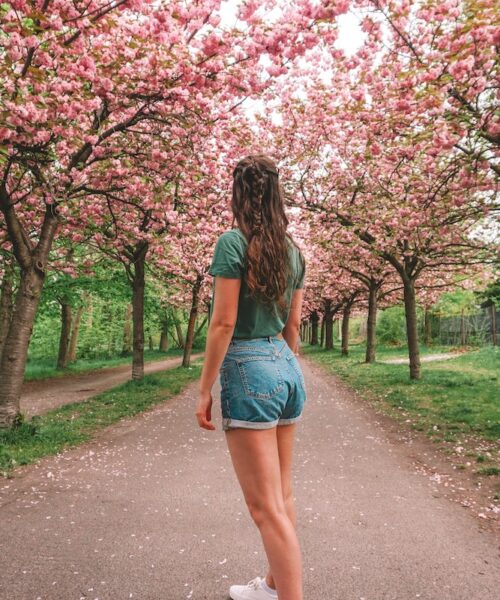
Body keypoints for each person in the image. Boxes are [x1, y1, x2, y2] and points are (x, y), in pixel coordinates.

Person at [195, 154, 307, 600]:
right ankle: (272, 586)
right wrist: (285, 368)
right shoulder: (294, 251)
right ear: (277, 194)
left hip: (247, 365)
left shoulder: (233, 243)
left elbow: (223, 323)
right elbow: (293, 327)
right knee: (282, 496)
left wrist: (204, 389)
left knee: (264, 508)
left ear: (238, 194)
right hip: (286, 364)